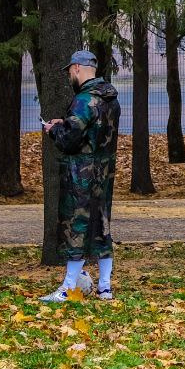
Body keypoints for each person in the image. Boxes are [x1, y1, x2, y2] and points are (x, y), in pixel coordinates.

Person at [40, 50, 121, 302]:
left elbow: (70, 140)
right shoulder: (110, 99)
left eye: (69, 72)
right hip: (103, 174)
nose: (68, 77)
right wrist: (65, 123)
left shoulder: (84, 100)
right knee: (101, 226)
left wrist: (54, 130)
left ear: (76, 68)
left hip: (81, 176)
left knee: (77, 227)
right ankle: (105, 287)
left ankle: (66, 288)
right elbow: (93, 133)